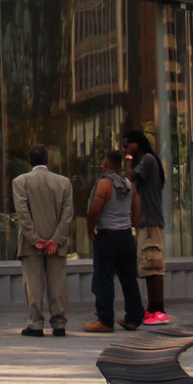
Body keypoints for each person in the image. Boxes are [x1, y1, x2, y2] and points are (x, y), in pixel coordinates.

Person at [11, 144, 75, 337]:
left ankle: (35, 323)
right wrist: (56, 239)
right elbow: (68, 214)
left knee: (33, 284)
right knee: (58, 283)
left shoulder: (20, 182)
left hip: (31, 244)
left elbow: (22, 212)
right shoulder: (63, 183)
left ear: (29, 161)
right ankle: (59, 323)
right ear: (48, 160)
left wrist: (33, 238)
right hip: (57, 243)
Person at [84, 149, 145, 333]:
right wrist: (134, 229)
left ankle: (105, 319)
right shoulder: (128, 184)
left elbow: (95, 209)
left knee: (104, 279)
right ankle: (134, 317)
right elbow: (137, 210)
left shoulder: (104, 184)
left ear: (105, 164)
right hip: (126, 236)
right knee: (129, 279)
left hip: (108, 236)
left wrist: (90, 229)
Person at [124, 130, 170, 325]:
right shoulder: (145, 162)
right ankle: (151, 308)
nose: (126, 149)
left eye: (128, 145)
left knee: (154, 264)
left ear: (136, 145)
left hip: (151, 221)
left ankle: (159, 309)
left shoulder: (149, 159)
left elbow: (130, 175)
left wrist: (128, 157)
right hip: (145, 221)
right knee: (148, 266)